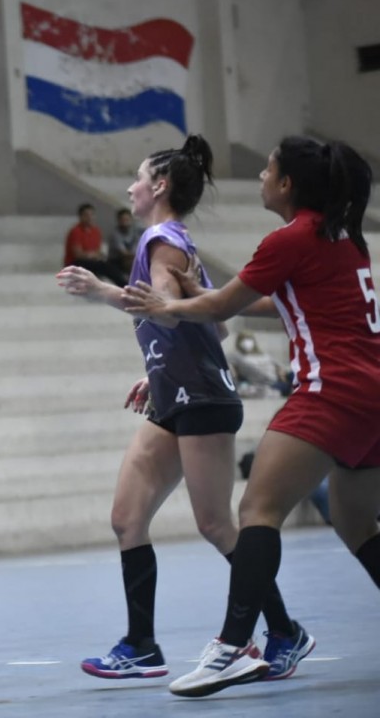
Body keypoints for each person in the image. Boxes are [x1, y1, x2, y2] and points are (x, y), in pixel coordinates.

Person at [122, 136, 377, 698]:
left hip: (331, 391)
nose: (260, 176)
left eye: (267, 169)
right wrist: (195, 292)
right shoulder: (339, 234)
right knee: (356, 523)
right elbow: (274, 302)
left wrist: (167, 305)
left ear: (287, 185)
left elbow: (222, 306)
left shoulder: (291, 237)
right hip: (372, 397)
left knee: (257, 510)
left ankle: (233, 648)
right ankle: (263, 638)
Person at [56, 134, 307, 683]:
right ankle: (141, 645)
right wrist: (158, 370)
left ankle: (285, 631)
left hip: (203, 399)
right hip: (176, 393)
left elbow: (167, 313)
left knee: (216, 524)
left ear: (160, 185)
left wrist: (100, 289)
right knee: (127, 519)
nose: (131, 186)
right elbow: (215, 327)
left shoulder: (160, 241)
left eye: (139, 177)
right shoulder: (176, 243)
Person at [63, 203, 127, 287]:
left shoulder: (96, 231)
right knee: (103, 266)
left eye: (91, 215)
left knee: (111, 265)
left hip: (91, 261)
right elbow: (78, 255)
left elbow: (98, 251)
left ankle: (125, 284)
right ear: (80, 217)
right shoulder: (76, 231)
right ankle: (125, 285)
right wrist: (92, 255)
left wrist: (96, 255)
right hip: (76, 263)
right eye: (86, 215)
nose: (89, 217)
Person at [227, 331, 291, 398]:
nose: (247, 342)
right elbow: (232, 370)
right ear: (239, 341)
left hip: (277, 380)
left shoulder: (264, 355)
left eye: (249, 339)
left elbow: (279, 366)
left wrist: (281, 372)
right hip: (263, 384)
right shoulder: (236, 356)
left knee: (293, 375)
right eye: (244, 339)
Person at [108, 208, 143, 278]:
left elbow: (137, 248)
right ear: (119, 220)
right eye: (123, 219)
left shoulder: (134, 231)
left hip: (130, 258)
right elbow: (123, 253)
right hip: (116, 260)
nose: (125, 222)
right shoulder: (115, 234)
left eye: (127, 219)